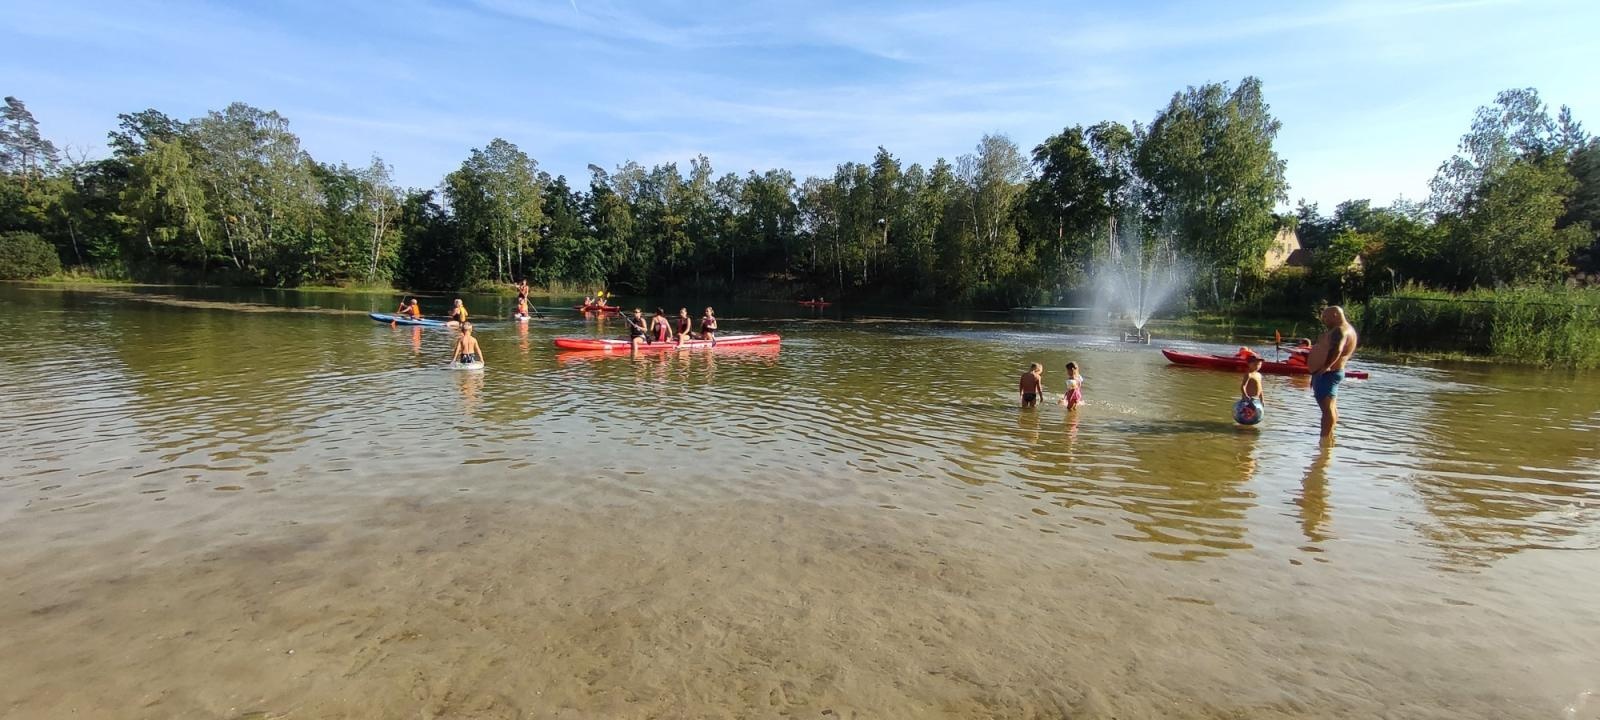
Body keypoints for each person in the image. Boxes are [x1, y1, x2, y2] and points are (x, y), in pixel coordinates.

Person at [1305, 305, 1359, 437]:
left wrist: (1324, 368)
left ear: (1335, 315)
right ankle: (1329, 439)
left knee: (1327, 409)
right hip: (1329, 373)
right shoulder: (1346, 329)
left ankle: (1324, 440)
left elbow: (1337, 349)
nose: (1323, 320)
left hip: (1328, 373)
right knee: (1330, 407)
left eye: (1325, 317)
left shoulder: (1340, 330)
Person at [1237, 355, 1265, 424]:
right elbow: (1243, 386)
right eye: (1255, 364)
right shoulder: (1248, 374)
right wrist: (1246, 396)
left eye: (1259, 364)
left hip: (1256, 400)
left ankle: (1248, 429)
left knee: (1254, 417)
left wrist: (1262, 399)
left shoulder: (1259, 375)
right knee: (1247, 417)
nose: (1257, 366)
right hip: (1248, 400)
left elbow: (1260, 388)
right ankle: (1243, 429)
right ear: (1249, 364)